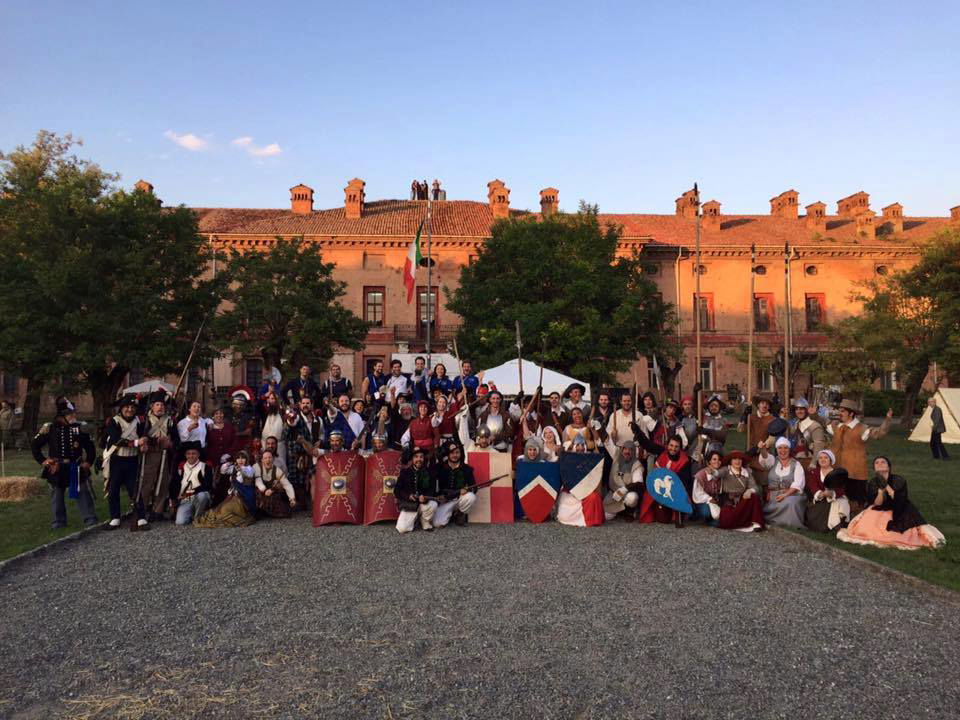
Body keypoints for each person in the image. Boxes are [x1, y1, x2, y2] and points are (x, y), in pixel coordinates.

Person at [837, 456, 945, 550]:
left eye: (883, 462)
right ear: (874, 468)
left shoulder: (898, 479)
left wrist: (885, 485)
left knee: (895, 530)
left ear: (888, 467)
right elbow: (877, 503)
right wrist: (880, 491)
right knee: (869, 524)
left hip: (898, 507)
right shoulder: (873, 482)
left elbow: (898, 498)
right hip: (880, 508)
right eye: (876, 462)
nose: (879, 464)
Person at [31, 398, 97, 529]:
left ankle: (90, 519)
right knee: (57, 494)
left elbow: (90, 447)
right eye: (69, 414)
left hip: (74, 466)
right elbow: (35, 445)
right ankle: (59, 522)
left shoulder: (79, 428)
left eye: (73, 413)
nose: (73, 416)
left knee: (81, 492)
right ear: (61, 416)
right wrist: (43, 461)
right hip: (57, 467)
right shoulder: (50, 429)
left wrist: (89, 462)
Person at [827, 400, 893, 505]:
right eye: (839, 410)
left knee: (856, 502)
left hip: (855, 474)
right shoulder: (838, 426)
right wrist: (814, 414)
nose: (840, 413)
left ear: (851, 413)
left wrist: (888, 420)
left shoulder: (861, 428)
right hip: (838, 470)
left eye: (843, 411)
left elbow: (879, 433)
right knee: (838, 500)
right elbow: (823, 423)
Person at [102, 396, 146, 529]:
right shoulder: (113, 421)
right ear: (121, 408)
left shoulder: (140, 421)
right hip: (117, 460)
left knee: (135, 489)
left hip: (133, 460)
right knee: (113, 488)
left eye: (132, 407)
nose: (130, 409)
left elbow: (146, 434)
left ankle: (141, 518)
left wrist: (146, 442)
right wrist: (137, 442)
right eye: (127, 407)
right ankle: (115, 517)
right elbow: (116, 439)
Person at [636, 433, 692, 527]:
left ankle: (677, 514)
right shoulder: (662, 451)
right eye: (671, 445)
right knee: (662, 518)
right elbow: (648, 445)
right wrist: (637, 432)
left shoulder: (685, 461)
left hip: (674, 490)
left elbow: (684, 482)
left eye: (676, 446)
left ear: (680, 448)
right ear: (667, 445)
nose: (673, 449)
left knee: (669, 516)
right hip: (658, 488)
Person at [194, 451, 257, 528]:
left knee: (225, 511)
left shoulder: (249, 469)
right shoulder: (234, 468)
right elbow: (223, 470)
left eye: (243, 458)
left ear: (246, 459)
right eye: (238, 458)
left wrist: (240, 469)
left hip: (244, 498)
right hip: (233, 497)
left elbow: (247, 473)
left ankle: (241, 517)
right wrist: (229, 463)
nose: (240, 460)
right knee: (219, 510)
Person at [140, 393, 177, 521]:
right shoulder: (145, 420)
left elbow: (176, 439)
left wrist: (170, 443)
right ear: (152, 406)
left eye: (162, 405)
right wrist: (154, 441)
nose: (160, 407)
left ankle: (158, 511)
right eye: (157, 404)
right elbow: (142, 437)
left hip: (165, 454)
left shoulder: (170, 420)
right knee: (147, 482)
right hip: (150, 453)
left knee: (163, 483)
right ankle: (142, 509)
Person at [757, 436, 806, 528]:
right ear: (776, 449)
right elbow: (765, 458)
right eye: (780, 448)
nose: (783, 450)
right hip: (773, 497)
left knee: (791, 502)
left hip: (792, 494)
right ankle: (771, 519)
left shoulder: (796, 464)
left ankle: (790, 524)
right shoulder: (772, 461)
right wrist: (762, 449)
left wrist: (785, 494)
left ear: (789, 449)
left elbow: (798, 484)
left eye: (785, 447)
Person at [283, 397, 324, 503]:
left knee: (313, 479)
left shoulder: (317, 419)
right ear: (299, 405)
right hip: (297, 455)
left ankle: (314, 507)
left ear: (311, 404)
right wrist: (289, 422)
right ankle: (299, 504)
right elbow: (285, 434)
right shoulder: (295, 418)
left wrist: (320, 441)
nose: (305, 405)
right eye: (303, 403)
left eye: (308, 403)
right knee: (297, 482)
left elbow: (322, 434)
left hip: (313, 454)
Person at [804, 449, 850, 532]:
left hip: (835, 497)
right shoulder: (814, 472)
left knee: (840, 504)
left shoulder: (837, 473)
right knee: (816, 513)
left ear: (831, 460)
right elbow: (812, 485)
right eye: (820, 458)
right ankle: (823, 527)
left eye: (826, 458)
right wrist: (820, 494)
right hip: (820, 498)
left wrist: (831, 493)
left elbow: (842, 488)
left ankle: (836, 526)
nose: (823, 460)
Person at [717, 450, 764, 531]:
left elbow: (755, 487)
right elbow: (718, 473)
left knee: (754, 496)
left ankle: (756, 524)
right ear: (730, 461)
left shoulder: (747, 472)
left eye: (739, 459)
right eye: (734, 459)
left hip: (742, 500)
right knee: (726, 523)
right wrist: (713, 472)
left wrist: (749, 491)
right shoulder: (726, 470)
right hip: (729, 502)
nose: (737, 461)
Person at [434, 442, 477, 527]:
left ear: (460, 454)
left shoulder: (467, 469)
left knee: (470, 497)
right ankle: (450, 514)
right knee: (437, 524)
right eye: (452, 453)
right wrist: (438, 496)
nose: (455, 455)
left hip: (459, 499)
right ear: (448, 454)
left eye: (457, 452)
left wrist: (467, 489)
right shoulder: (440, 467)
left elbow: (474, 488)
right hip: (445, 500)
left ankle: (459, 514)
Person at [395, 447, 437, 533]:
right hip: (410, 504)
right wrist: (408, 496)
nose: (419, 459)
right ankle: (415, 520)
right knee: (402, 529)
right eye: (416, 457)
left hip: (424, 504)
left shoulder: (429, 472)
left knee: (433, 504)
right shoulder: (405, 472)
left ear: (424, 458)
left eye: (421, 457)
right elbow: (397, 491)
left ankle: (424, 520)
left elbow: (432, 490)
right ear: (412, 459)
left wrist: (425, 497)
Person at [602, 438, 644, 521]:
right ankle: (620, 512)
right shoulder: (617, 455)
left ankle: (629, 511)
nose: (627, 452)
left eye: (630, 450)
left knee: (632, 498)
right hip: (614, 494)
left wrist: (624, 489)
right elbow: (606, 440)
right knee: (605, 516)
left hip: (627, 493)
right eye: (625, 448)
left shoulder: (636, 465)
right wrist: (596, 425)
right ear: (622, 449)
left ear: (633, 452)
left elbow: (639, 484)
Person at [170, 446, 213, 525]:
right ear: (185, 455)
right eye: (188, 454)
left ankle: (198, 517)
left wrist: (190, 492)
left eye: (194, 453)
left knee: (202, 496)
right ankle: (191, 514)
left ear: (198, 455)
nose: (191, 456)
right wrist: (173, 499)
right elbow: (174, 484)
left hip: (199, 496)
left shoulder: (205, 467)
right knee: (180, 522)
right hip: (185, 499)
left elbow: (207, 485)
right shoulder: (181, 467)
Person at [255, 449, 296, 518]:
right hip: (258, 492)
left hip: (271, 492)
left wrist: (292, 498)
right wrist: (264, 490)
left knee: (284, 511)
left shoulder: (277, 470)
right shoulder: (257, 467)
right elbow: (258, 480)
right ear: (262, 460)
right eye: (265, 458)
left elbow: (287, 484)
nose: (268, 460)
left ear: (273, 459)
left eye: (270, 457)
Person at [787, 398, 827, 468]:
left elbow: (819, 446)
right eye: (797, 409)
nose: (799, 411)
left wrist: (813, 463)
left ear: (806, 410)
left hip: (809, 461)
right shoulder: (796, 424)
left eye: (801, 409)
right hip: (797, 460)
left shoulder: (815, 426)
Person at [691, 450, 724, 525]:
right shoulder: (701, 475)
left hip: (716, 502)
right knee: (706, 513)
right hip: (702, 501)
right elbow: (697, 493)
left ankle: (715, 520)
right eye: (714, 459)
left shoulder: (720, 474)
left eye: (719, 460)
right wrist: (709, 499)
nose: (717, 461)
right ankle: (704, 517)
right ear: (709, 461)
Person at [259, 390, 286, 461]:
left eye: (275, 399)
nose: (273, 401)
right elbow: (257, 404)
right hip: (265, 444)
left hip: (279, 445)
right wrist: (264, 396)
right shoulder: (264, 411)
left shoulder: (282, 412)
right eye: (271, 398)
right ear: (268, 400)